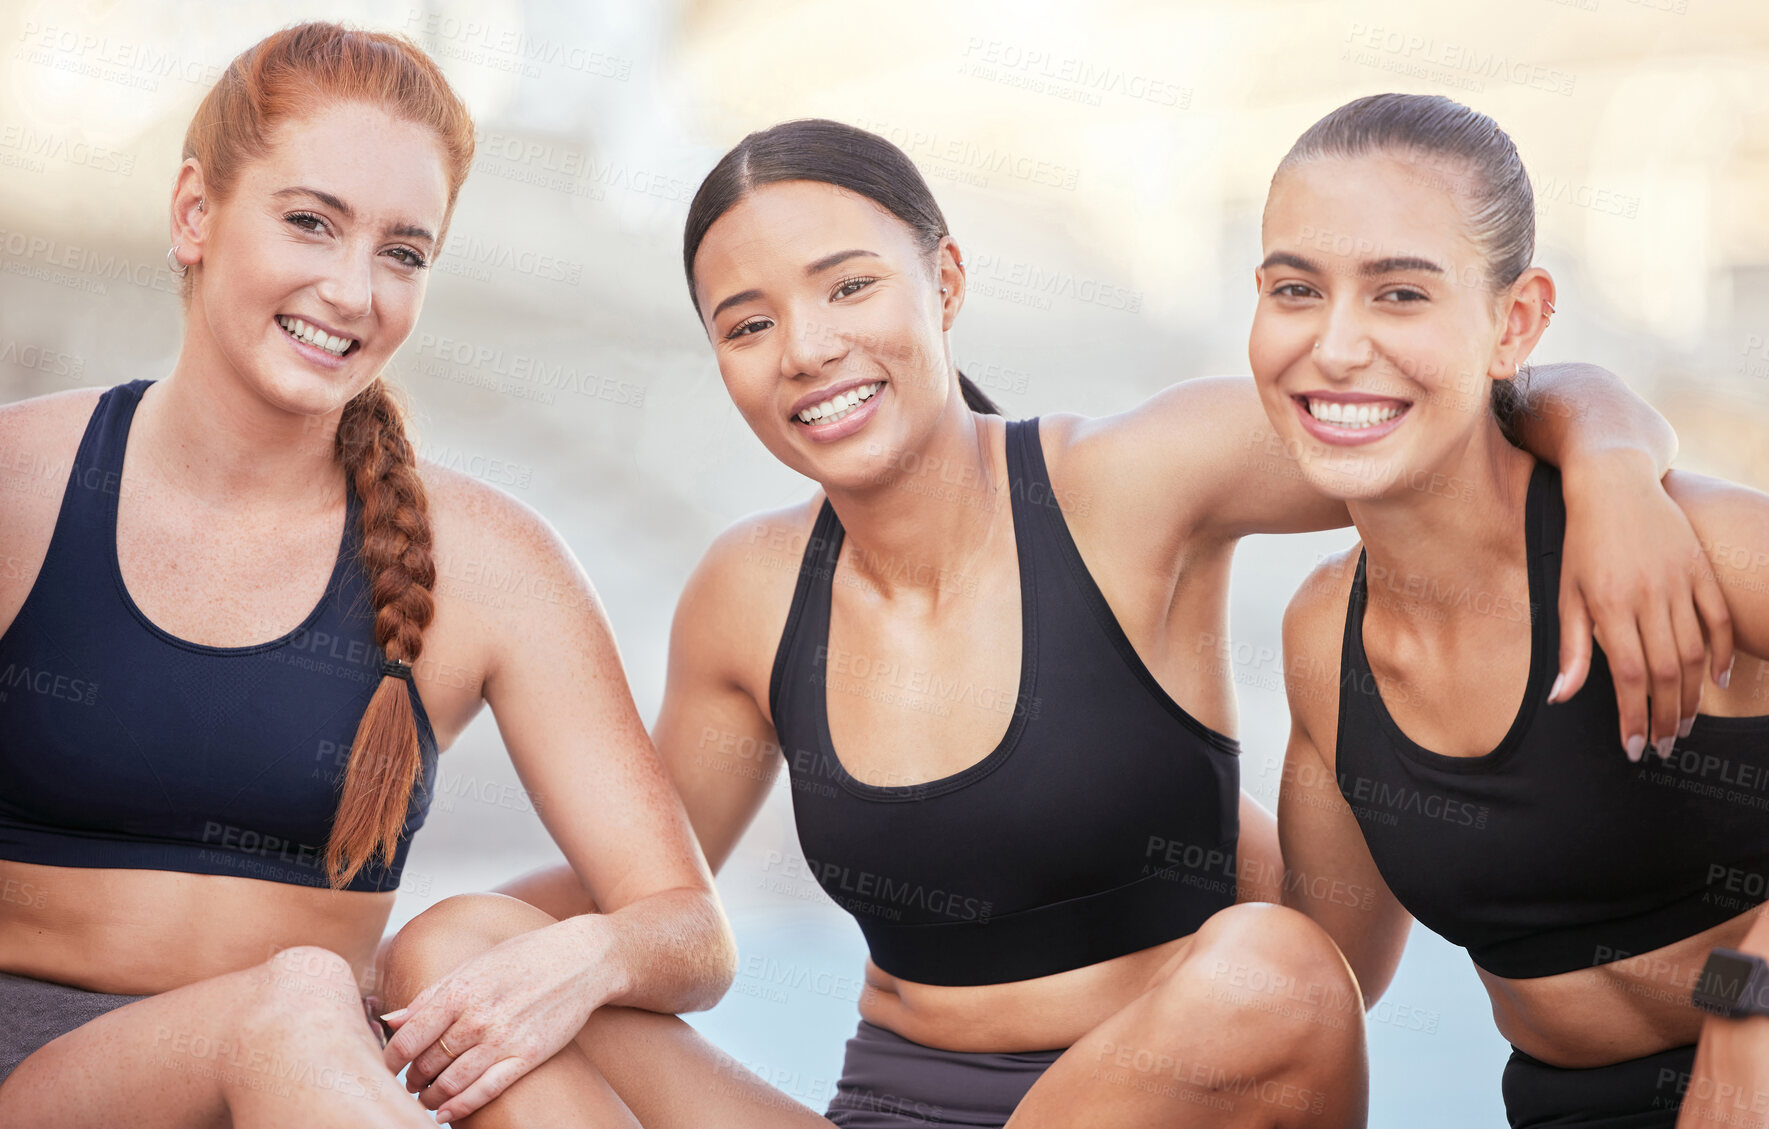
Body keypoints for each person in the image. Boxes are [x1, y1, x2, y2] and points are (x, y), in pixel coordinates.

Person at [383, 118, 1731, 1127]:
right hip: (890, 1106)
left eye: (850, 286)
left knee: (1272, 965)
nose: (806, 346)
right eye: (748, 323)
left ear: (944, 284)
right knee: (448, 960)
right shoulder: (746, 595)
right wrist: (384, 965)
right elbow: (663, 907)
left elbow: (1429, 412)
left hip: (1180, 1090)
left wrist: (1609, 453)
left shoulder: (1134, 480)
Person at [0, 22, 733, 1128]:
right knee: (298, 996)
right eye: (309, 223)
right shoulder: (21, 484)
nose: (352, 291)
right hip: (42, 1079)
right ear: (194, 212)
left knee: (500, 1046)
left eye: (402, 252)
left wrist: (577, 962)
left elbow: (689, 929)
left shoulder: (491, 562)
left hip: (310, 1087)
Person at [1262, 93, 1769, 1128]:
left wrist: (1747, 1000)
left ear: (1514, 322)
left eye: (1398, 293)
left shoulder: (1697, 544)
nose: (1336, 344)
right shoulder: (1322, 632)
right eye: (1293, 290)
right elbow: (1322, 970)